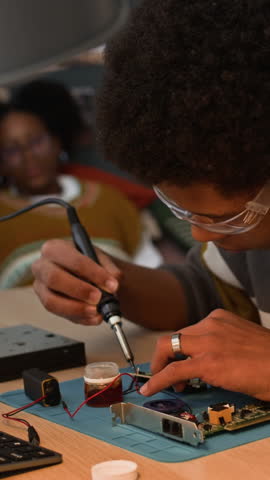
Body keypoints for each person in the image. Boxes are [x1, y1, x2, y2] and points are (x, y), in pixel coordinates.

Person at [32, 0, 270, 401]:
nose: (198, 233)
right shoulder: (256, 242)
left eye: (226, 219)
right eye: (184, 211)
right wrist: (107, 285)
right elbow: (205, 293)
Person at [0, 79, 142, 287]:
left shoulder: (109, 198)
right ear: (1, 163)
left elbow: (149, 270)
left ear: (57, 142)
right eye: (12, 151)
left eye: (36, 142)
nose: (28, 156)